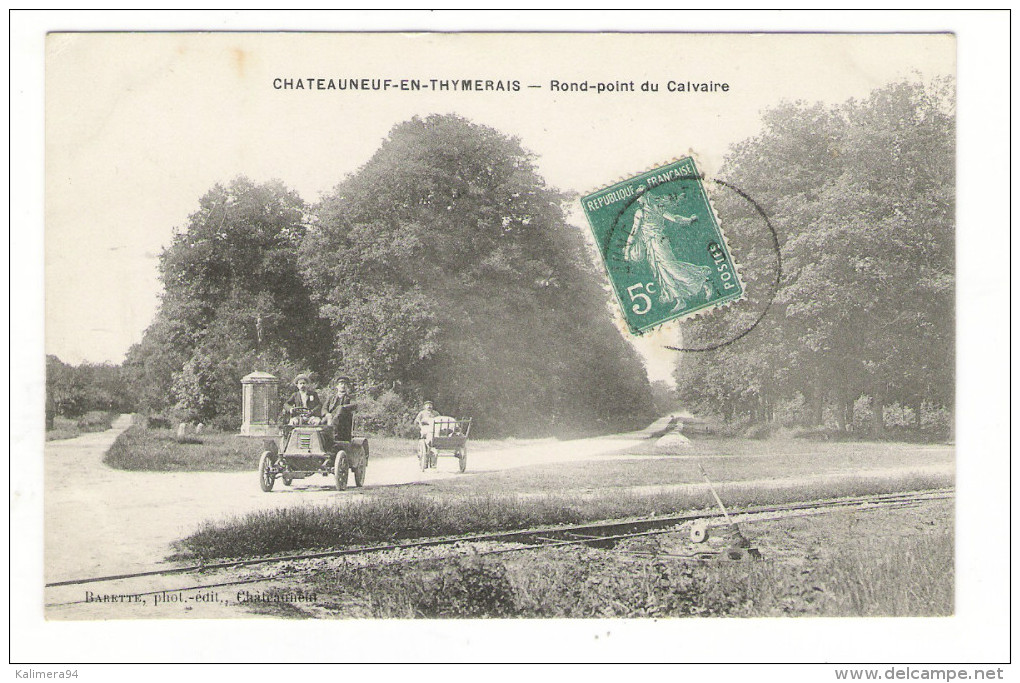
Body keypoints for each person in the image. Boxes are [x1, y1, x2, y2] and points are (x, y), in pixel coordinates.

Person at [624, 188, 714, 312]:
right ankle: (679, 300)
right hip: (651, 245)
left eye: (639, 196)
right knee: (662, 271)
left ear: (644, 196)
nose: (638, 199)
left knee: (671, 267)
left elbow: (634, 232)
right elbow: (675, 218)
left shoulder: (645, 211)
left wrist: (627, 250)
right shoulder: (653, 208)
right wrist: (689, 220)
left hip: (659, 242)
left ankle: (703, 282)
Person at [323, 376, 357, 442]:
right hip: (330, 418)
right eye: (341, 384)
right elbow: (324, 408)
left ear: (347, 386)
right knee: (319, 422)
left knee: (340, 408)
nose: (343, 386)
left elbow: (354, 405)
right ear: (337, 386)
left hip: (343, 420)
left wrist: (343, 407)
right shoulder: (331, 397)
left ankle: (332, 432)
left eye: (345, 384)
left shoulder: (350, 397)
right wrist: (327, 414)